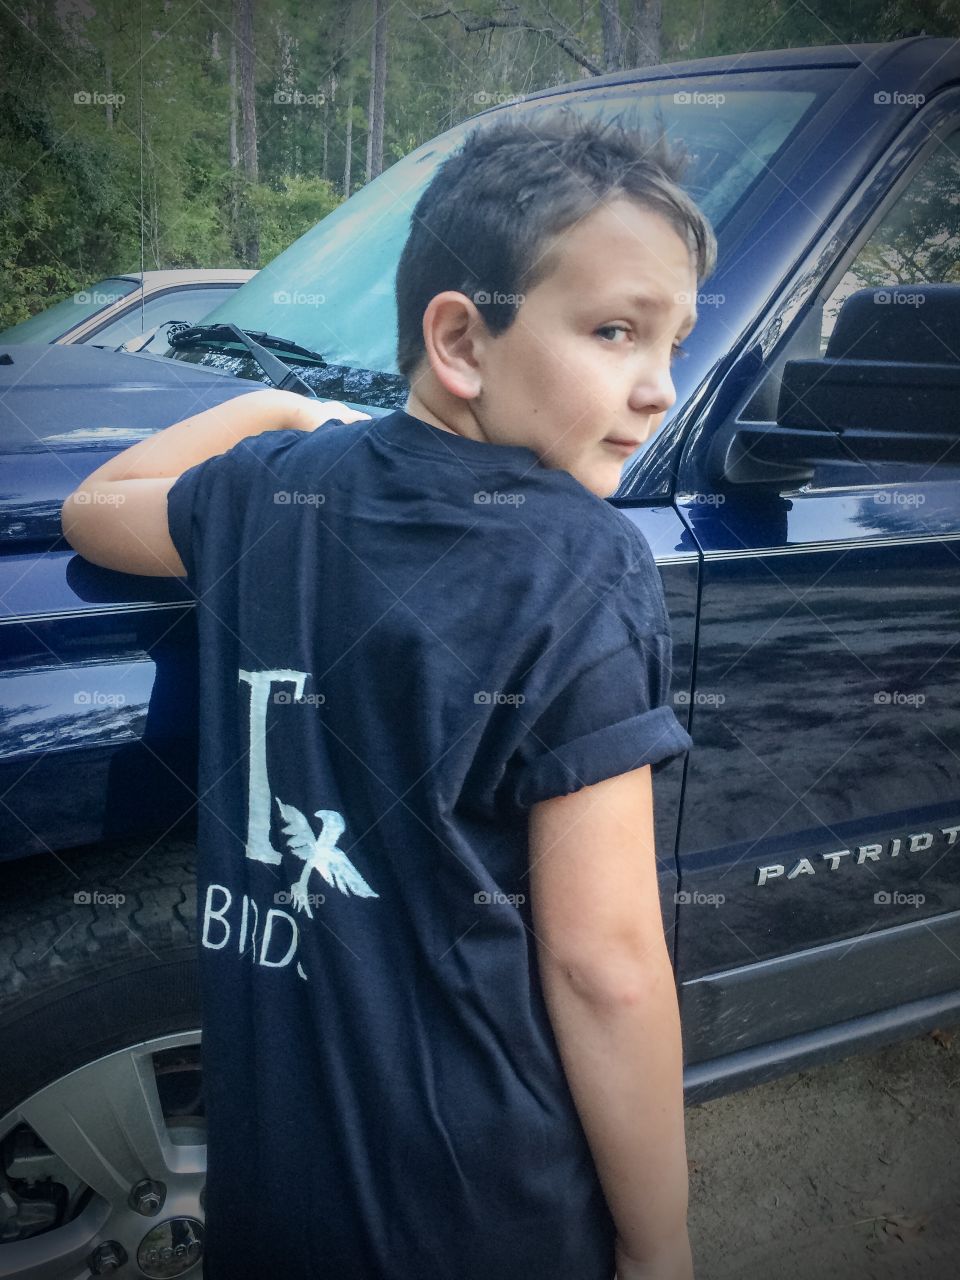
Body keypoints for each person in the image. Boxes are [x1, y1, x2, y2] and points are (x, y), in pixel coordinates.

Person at [61, 107, 715, 1280]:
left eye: (674, 342)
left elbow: (95, 508)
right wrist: (659, 1241)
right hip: (483, 1218)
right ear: (461, 338)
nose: (660, 387)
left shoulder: (268, 491)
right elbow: (604, 963)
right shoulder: (581, 563)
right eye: (616, 331)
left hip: (270, 1204)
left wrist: (282, 413)